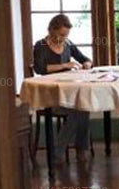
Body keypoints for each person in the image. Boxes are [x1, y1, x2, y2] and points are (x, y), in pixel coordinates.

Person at [32, 13, 94, 162]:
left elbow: (85, 59)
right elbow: (40, 68)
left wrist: (87, 64)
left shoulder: (68, 44)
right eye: (61, 35)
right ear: (51, 30)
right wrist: (65, 65)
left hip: (68, 94)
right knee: (78, 111)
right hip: (50, 96)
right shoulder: (41, 45)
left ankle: (80, 149)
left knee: (84, 108)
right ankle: (58, 152)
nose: (63, 38)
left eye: (66, 35)